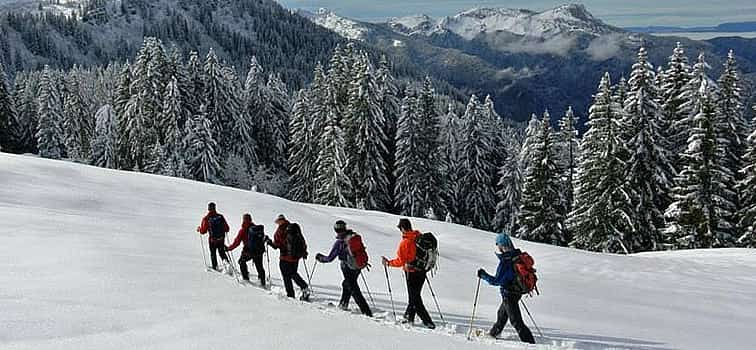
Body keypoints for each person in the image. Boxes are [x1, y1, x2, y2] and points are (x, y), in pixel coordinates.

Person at [477, 232, 536, 344]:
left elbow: (496, 281)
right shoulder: (517, 255)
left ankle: (530, 343)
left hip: (509, 294)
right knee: (502, 315)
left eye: (498, 244)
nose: (497, 247)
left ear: (501, 245)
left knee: (516, 321)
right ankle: (494, 333)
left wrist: (483, 275)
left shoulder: (506, 262)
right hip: (516, 292)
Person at [382, 218, 436, 329]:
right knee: (414, 296)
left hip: (411, 273)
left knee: (415, 298)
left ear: (402, 228)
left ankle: (428, 322)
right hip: (422, 271)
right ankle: (408, 318)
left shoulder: (405, 243)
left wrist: (388, 263)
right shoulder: (419, 236)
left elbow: (400, 262)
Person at [315, 220, 373, 317]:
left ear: (336, 230)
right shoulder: (353, 236)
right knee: (347, 284)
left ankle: (366, 312)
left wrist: (320, 258)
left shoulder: (340, 243)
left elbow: (330, 258)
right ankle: (343, 304)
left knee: (354, 289)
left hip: (347, 267)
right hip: (358, 267)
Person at [266, 214, 311, 300]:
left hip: (284, 257)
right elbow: (302, 241)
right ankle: (304, 287)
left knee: (286, 276)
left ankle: (291, 294)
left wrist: (269, 242)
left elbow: (277, 245)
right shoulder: (294, 228)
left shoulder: (280, 231)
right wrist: (303, 252)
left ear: (279, 221)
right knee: (293, 273)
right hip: (295, 257)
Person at [226, 213, 267, 287]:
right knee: (259, 266)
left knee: (241, 261)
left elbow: (237, 242)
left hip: (248, 251)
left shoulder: (243, 230)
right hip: (259, 251)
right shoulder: (256, 229)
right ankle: (262, 282)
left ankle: (245, 278)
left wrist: (229, 248)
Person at [197, 202, 230, 271]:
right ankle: (227, 265)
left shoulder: (206, 218)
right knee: (222, 253)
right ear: (215, 208)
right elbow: (227, 228)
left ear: (208, 209)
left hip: (212, 240)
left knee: (213, 254)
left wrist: (199, 229)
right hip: (221, 239)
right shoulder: (220, 216)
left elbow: (203, 231)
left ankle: (215, 267)